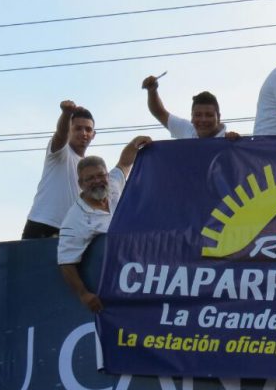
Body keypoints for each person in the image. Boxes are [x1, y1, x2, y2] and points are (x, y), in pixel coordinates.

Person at [57, 135, 152, 313]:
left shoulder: (113, 185)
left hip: (144, 269)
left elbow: (124, 164)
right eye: (90, 179)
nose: (97, 181)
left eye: (101, 175)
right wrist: (83, 294)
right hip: (115, 284)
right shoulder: (74, 219)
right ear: (81, 184)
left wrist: (134, 144)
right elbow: (66, 262)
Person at [22, 101, 96, 239]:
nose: (83, 133)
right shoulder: (60, 152)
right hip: (42, 226)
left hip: (70, 233)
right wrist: (66, 114)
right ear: (69, 130)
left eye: (88, 129)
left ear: (93, 134)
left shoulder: (89, 168)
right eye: (78, 128)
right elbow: (61, 134)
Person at [140, 75, 240, 139]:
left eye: (209, 115)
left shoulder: (229, 142)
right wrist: (152, 91)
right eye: (198, 115)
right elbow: (159, 112)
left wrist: (238, 144)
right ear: (192, 117)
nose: (203, 120)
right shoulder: (187, 130)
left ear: (219, 117)